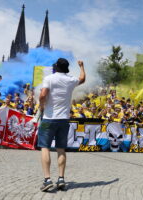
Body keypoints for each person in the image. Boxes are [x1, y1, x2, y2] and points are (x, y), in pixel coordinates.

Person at [37, 58, 85, 192]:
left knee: (44, 147)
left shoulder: (49, 78)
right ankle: (61, 178)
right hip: (64, 119)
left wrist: (42, 106)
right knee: (61, 149)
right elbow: (82, 79)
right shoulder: (70, 80)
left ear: (56, 67)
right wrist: (81, 66)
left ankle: (47, 179)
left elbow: (42, 95)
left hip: (48, 119)